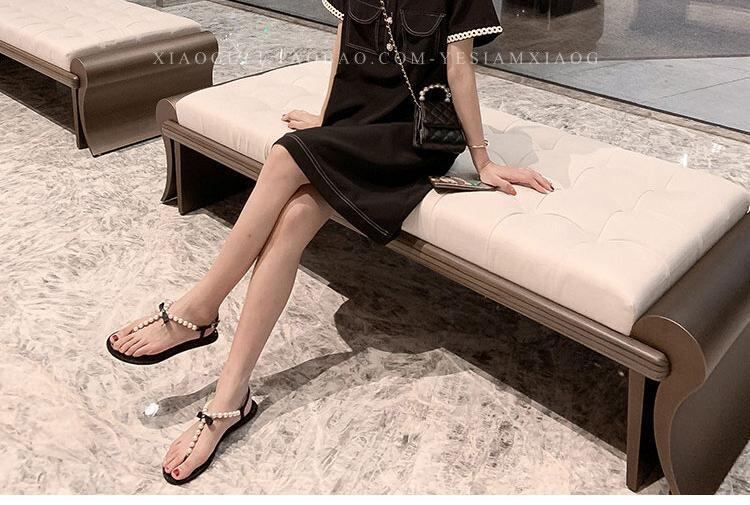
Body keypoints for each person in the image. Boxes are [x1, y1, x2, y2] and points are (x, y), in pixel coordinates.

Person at [107, 0, 553, 485]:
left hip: (416, 136)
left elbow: (459, 68)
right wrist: (327, 120)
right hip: (354, 124)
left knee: (284, 156)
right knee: (295, 216)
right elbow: (344, 42)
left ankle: (199, 309)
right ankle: (230, 399)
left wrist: (483, 162)